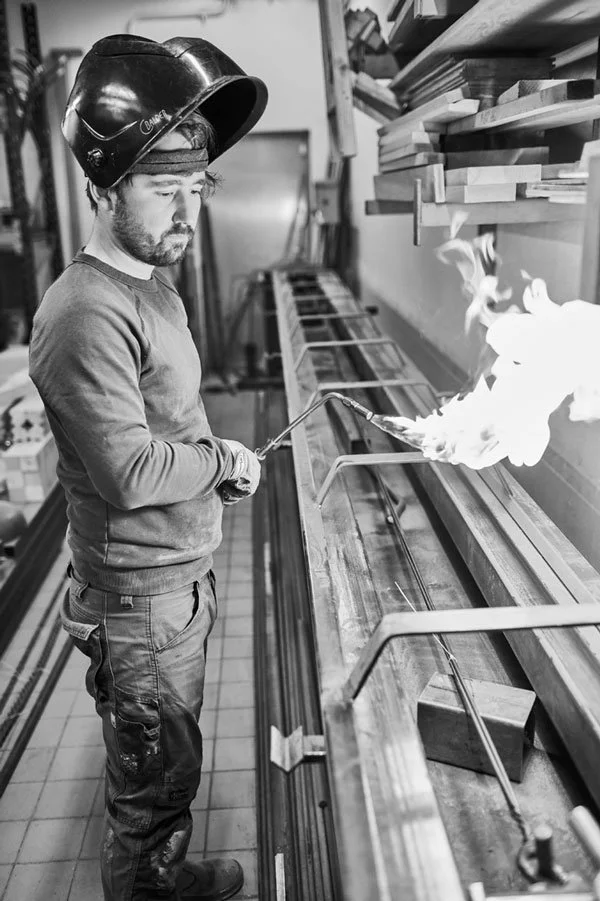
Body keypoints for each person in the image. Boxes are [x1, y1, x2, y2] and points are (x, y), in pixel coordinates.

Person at [29, 33, 268, 901]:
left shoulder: (153, 282)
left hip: (170, 586)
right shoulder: (82, 312)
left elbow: (169, 417)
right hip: (139, 608)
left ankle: (164, 874)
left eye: (196, 188)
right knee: (149, 792)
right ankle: (147, 883)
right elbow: (131, 469)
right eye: (164, 189)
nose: (186, 211)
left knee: (167, 768)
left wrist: (211, 464)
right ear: (102, 185)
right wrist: (217, 460)